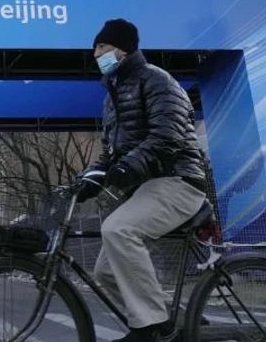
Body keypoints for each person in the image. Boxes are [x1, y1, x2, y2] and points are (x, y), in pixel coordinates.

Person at [80, 19, 208, 342]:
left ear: (121, 49)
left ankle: (150, 327)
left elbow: (168, 136)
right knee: (105, 272)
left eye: (102, 47)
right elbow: (108, 154)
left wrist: (129, 168)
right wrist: (86, 180)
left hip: (178, 181)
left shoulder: (157, 81)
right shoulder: (111, 98)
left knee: (118, 229)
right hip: (146, 189)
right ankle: (166, 322)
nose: (95, 54)